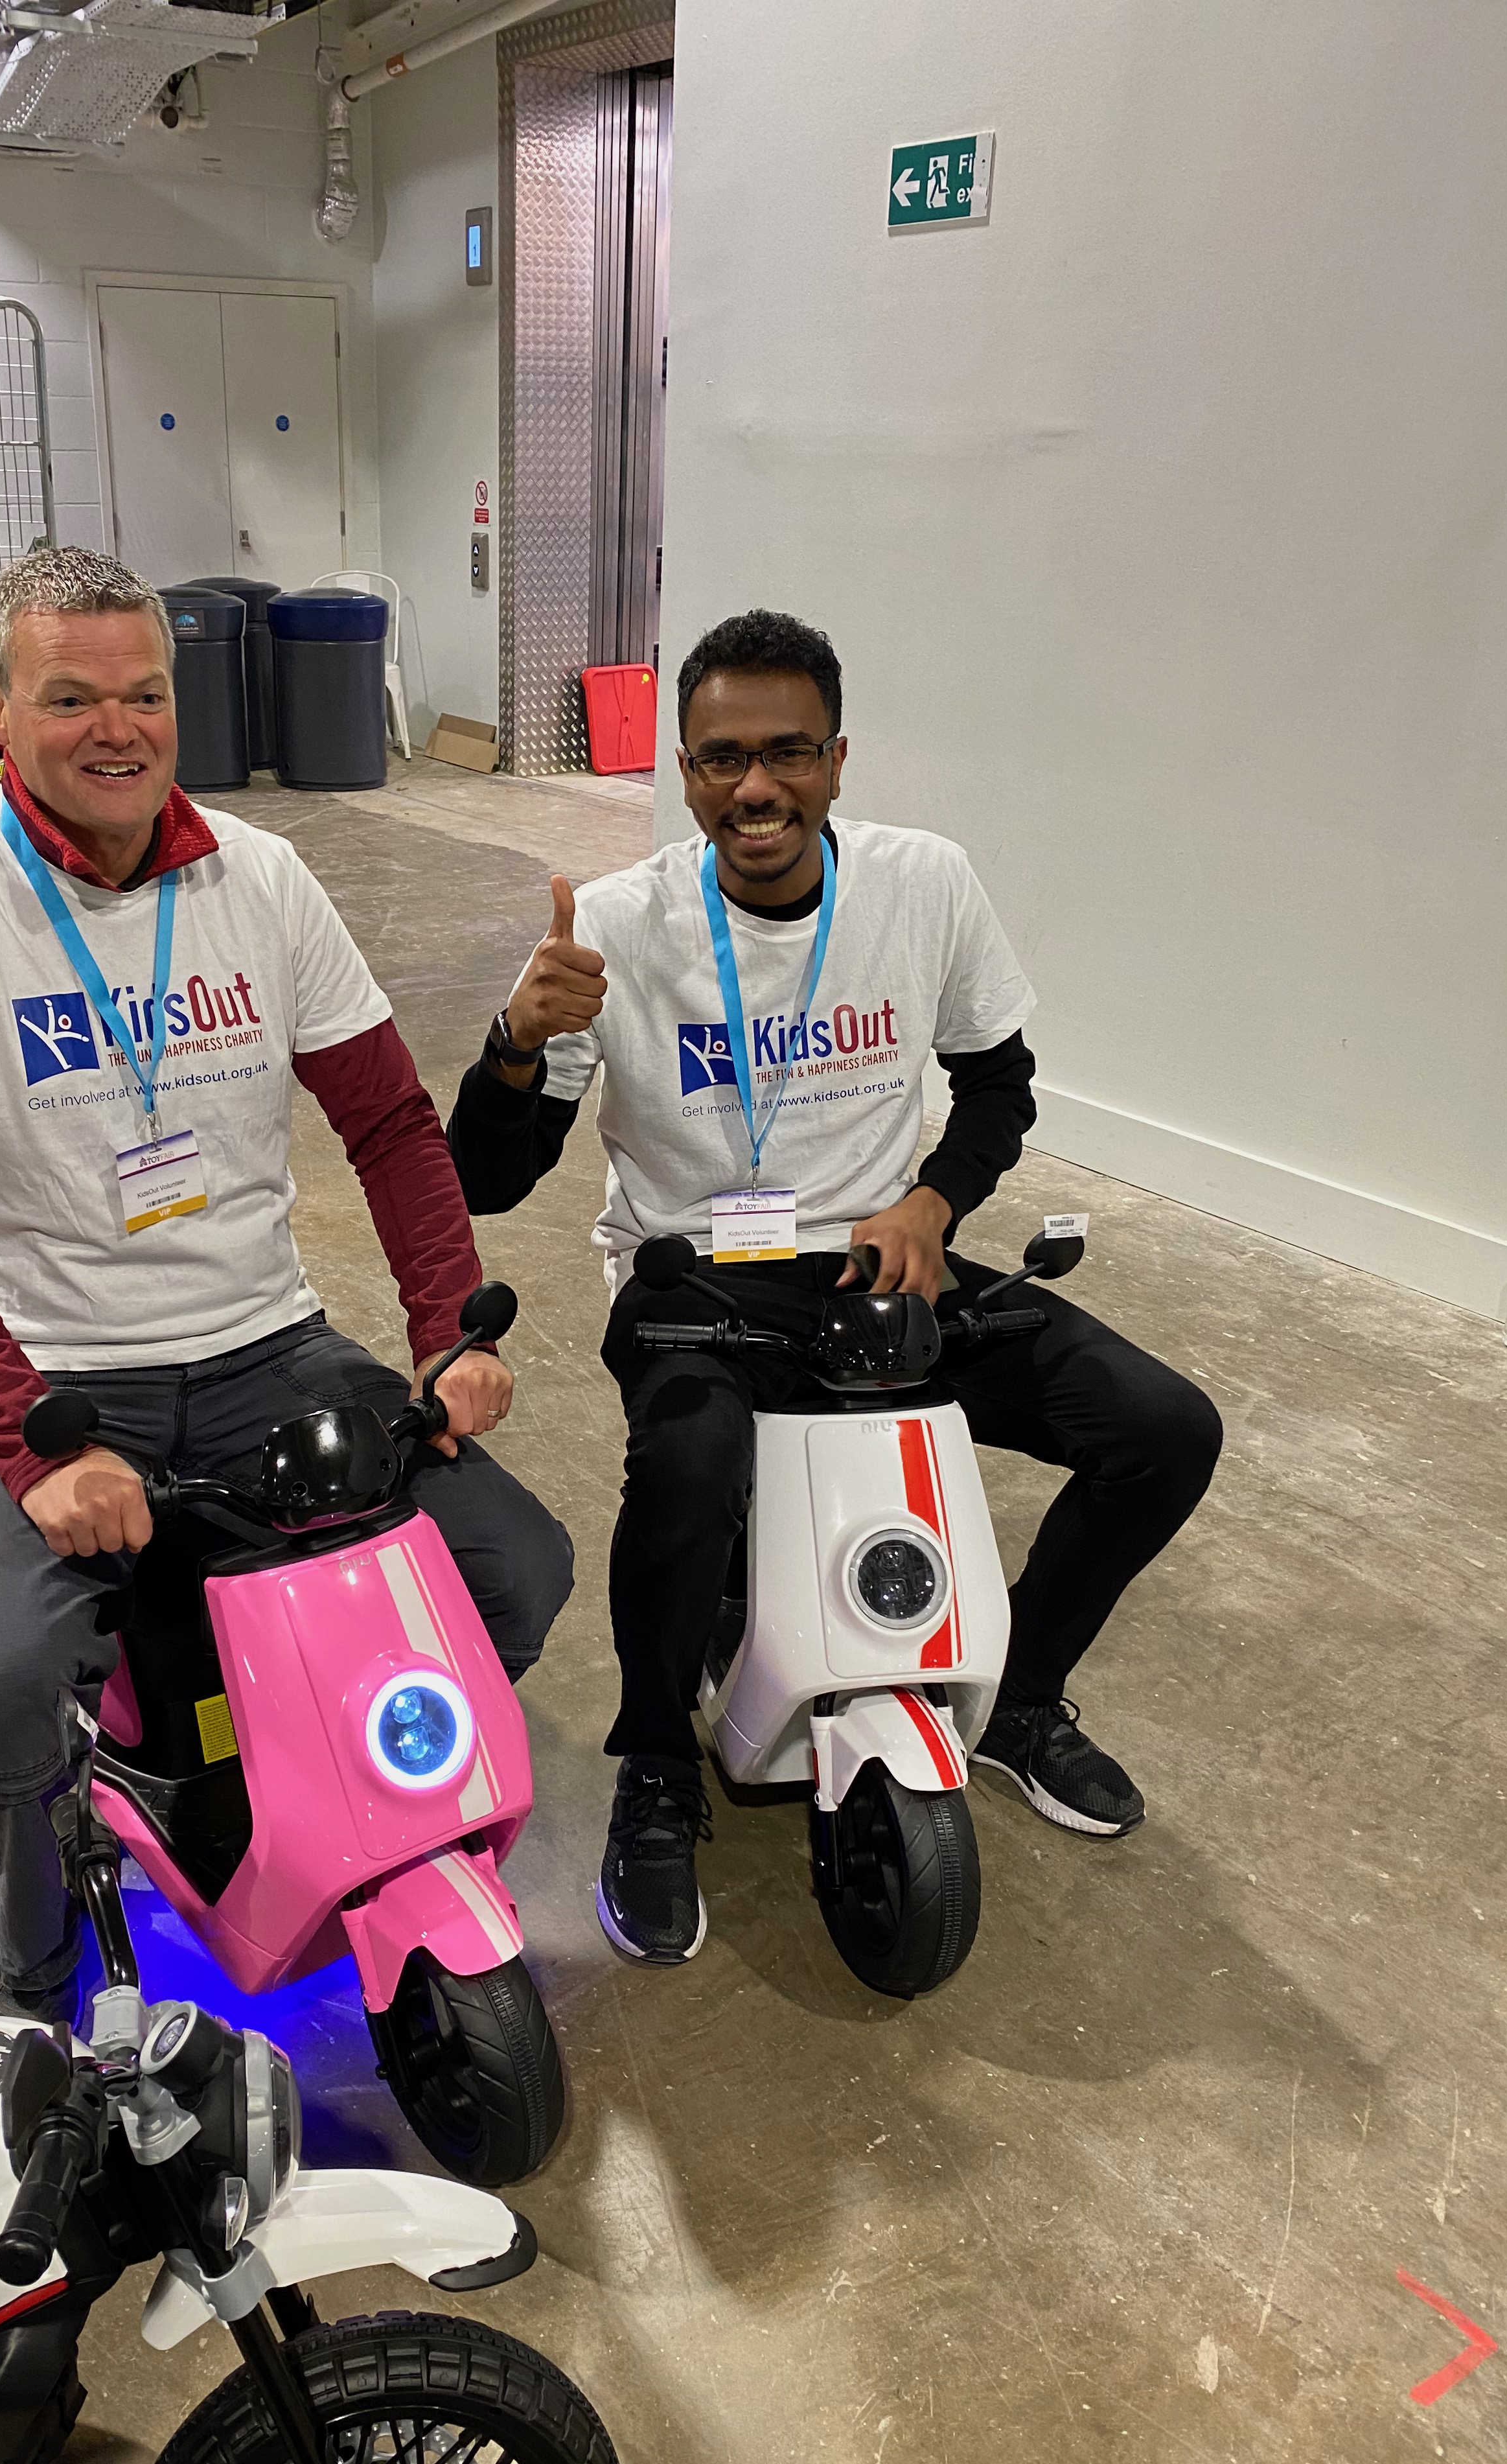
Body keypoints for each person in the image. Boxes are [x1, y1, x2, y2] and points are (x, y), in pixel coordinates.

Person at [0, 546, 573, 2019]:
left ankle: (293, 1799)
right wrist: (33, 1444)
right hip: (48, 1382)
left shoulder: (262, 878)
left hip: (266, 1346)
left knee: (511, 1570)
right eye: (71, 697)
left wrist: (444, 1335)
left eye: (146, 693)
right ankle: (29, 1962)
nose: (119, 728)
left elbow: (390, 1123)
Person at [447, 609, 1221, 1966]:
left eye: (789, 753)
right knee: (690, 1460)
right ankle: (652, 1763)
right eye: (722, 759)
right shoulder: (619, 928)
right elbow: (492, 1179)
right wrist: (519, 1042)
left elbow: (1000, 1083)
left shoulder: (924, 886)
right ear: (682, 774)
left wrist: (932, 1201)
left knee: (1162, 1429)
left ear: (838, 760)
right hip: (694, 1277)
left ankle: (1023, 1699)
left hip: (880, 1262)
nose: (757, 788)